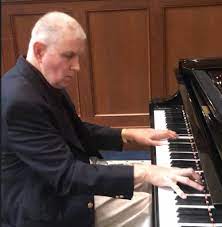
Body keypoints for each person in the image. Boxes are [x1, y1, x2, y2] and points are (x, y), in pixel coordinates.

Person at [1, 11, 204, 227]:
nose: (77, 66)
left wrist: (127, 134)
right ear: (39, 51)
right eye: (69, 56)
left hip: (61, 181)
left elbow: (74, 131)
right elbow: (67, 176)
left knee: (163, 183)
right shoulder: (20, 100)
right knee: (156, 205)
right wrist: (146, 172)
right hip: (45, 204)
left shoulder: (39, 80)